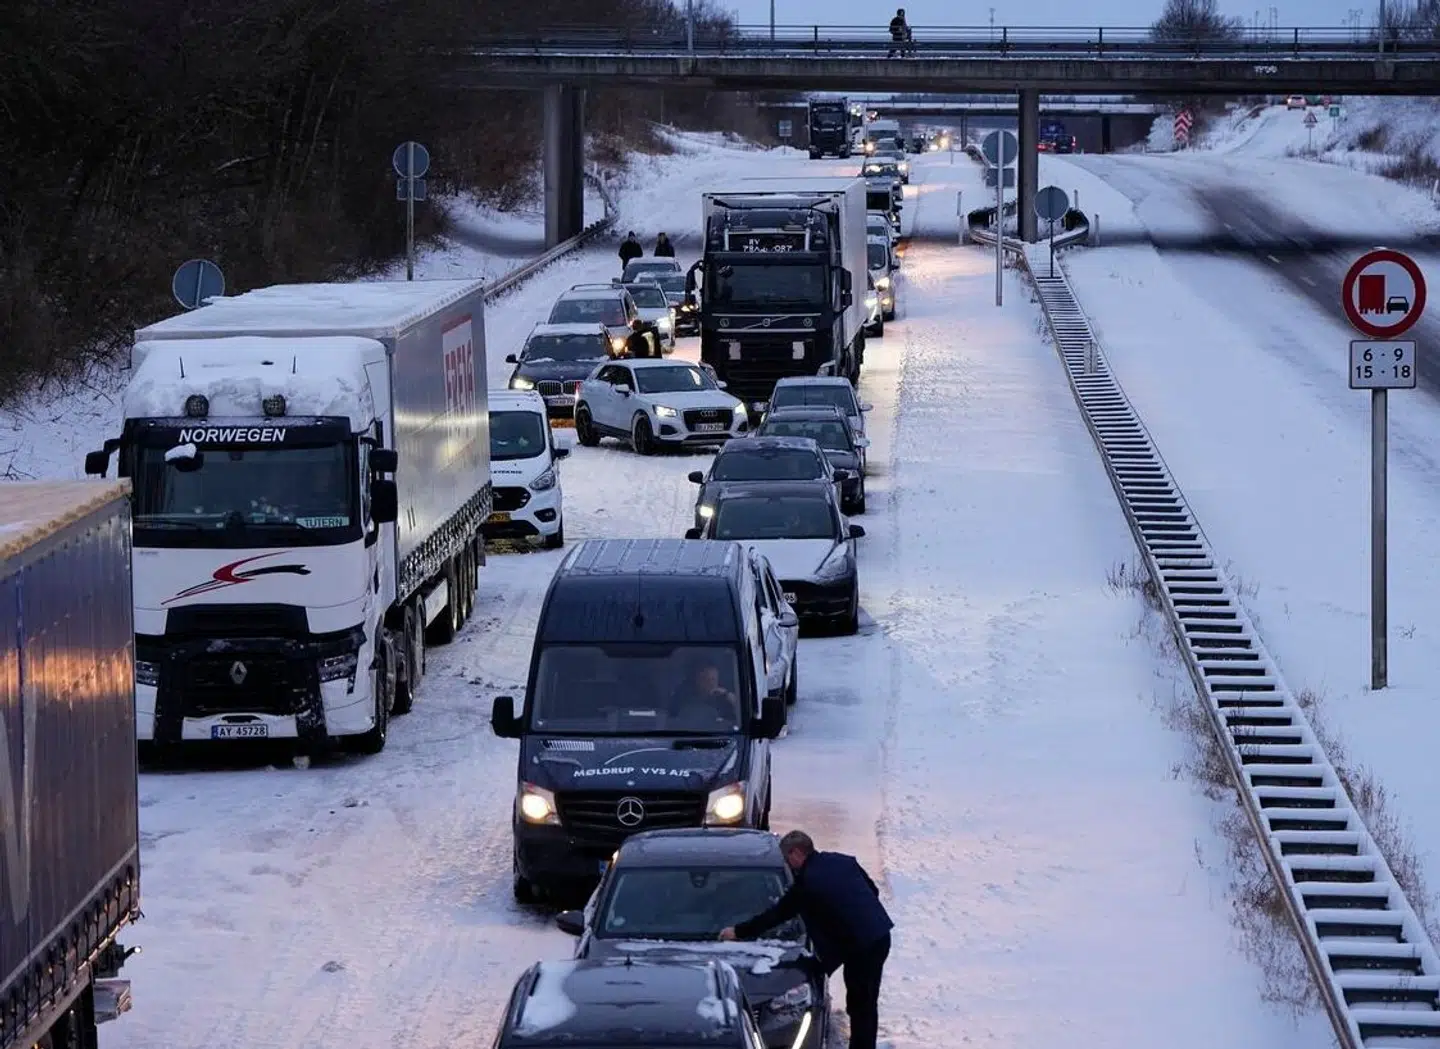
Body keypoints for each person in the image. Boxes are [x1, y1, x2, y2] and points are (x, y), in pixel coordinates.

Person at [720, 830, 892, 1049]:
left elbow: (778, 914)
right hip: (878, 935)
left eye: (787, 858)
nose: (788, 864)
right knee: (865, 1002)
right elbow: (872, 890)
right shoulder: (842, 861)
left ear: (797, 853)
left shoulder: (808, 882)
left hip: (862, 945)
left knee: (861, 1004)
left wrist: (738, 932)